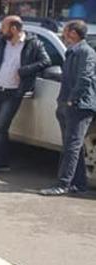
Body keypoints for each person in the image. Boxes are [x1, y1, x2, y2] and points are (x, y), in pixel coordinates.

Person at [0, 15, 50, 175]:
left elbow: (46, 62)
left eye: (3, 27)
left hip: (13, 93)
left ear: (13, 29)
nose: (0, 31)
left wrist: (25, 70)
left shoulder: (34, 44)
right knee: (0, 129)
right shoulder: (2, 43)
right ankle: (2, 163)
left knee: (0, 128)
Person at [40, 20, 96, 196]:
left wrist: (72, 100)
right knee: (73, 146)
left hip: (80, 106)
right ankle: (78, 184)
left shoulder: (86, 52)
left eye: (66, 31)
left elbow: (85, 79)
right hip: (66, 104)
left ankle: (63, 184)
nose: (64, 34)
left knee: (71, 146)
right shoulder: (72, 51)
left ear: (73, 33)